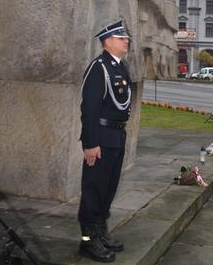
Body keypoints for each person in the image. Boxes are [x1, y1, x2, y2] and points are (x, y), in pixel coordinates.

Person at [78, 21, 132, 262]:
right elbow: (89, 109)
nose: (126, 40)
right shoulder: (98, 67)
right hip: (100, 138)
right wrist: (90, 144)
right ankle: (88, 241)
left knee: (108, 189)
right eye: (121, 38)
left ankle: (100, 232)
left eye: (126, 37)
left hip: (117, 136)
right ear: (107, 41)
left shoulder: (120, 67)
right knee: (93, 190)